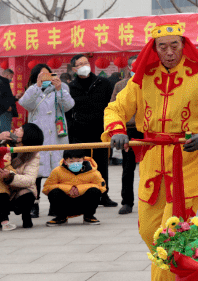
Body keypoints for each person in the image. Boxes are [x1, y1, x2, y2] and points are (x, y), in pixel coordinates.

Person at [104, 22, 198, 281]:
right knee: (148, 229)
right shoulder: (141, 79)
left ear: (184, 45)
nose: (169, 52)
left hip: (187, 163)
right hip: (152, 164)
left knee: (169, 229)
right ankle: (188, 265)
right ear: (154, 48)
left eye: (174, 45)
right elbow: (115, 109)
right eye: (162, 46)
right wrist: (116, 130)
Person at [19, 64, 75, 219]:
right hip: (37, 135)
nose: (45, 78)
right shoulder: (32, 90)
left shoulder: (61, 88)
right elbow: (25, 104)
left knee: (56, 172)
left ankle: (55, 204)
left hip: (57, 134)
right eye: (41, 75)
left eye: (48, 74)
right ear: (36, 76)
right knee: (35, 170)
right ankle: (34, 204)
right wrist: (36, 86)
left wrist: (59, 90)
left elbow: (69, 106)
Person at [68, 54, 116, 208]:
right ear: (74, 69)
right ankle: (84, 194)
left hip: (100, 130)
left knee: (102, 163)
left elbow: (112, 105)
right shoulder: (70, 87)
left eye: (86, 62)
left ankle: (104, 194)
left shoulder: (103, 83)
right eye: (80, 64)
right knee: (81, 164)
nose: (84, 65)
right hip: (80, 130)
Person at [110, 56, 142, 215]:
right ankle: (127, 202)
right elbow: (113, 108)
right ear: (129, 68)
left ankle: (151, 200)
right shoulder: (121, 85)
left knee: (152, 167)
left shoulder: (150, 83)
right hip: (129, 129)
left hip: (148, 129)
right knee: (127, 167)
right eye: (134, 66)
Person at [42, 149, 106, 226]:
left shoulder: (92, 172)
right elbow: (46, 188)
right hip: (65, 202)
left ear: (83, 160)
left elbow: (102, 187)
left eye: (79, 161)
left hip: (83, 202)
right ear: (65, 161)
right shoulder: (57, 171)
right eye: (71, 161)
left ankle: (89, 216)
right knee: (54, 192)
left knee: (95, 191)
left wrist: (80, 189)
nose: (75, 164)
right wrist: (69, 189)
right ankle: (61, 217)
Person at [0, 123, 44, 230]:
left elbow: (29, 180)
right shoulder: (5, 143)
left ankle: (26, 217)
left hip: (17, 189)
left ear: (27, 136)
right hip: (2, 187)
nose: (16, 130)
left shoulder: (32, 154)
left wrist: (10, 176)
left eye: (20, 129)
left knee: (27, 195)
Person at [0, 68, 16, 133]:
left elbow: (7, 98)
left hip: (6, 112)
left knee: (6, 131)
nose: (11, 79)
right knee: (5, 132)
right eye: (11, 77)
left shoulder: (5, 83)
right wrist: (6, 107)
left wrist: (16, 97)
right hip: (3, 112)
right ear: (7, 75)